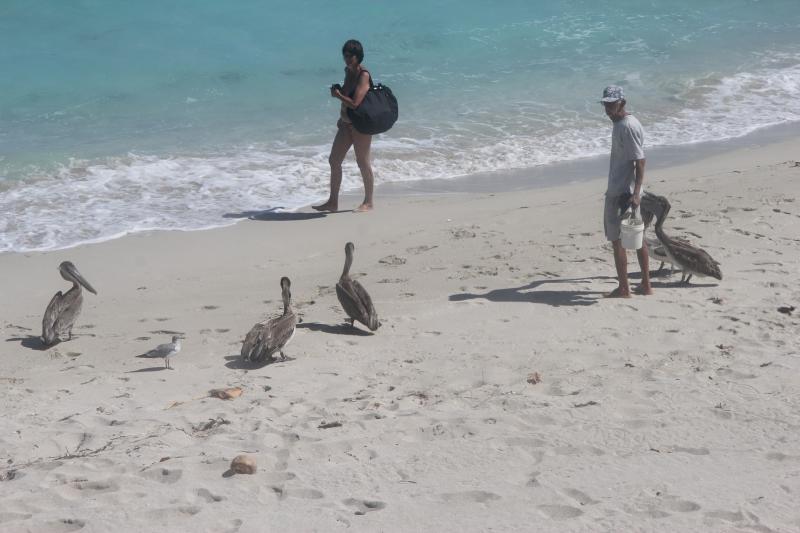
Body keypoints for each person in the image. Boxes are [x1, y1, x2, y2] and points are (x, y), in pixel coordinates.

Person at [600, 85, 652, 298]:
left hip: (622, 193)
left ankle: (624, 288)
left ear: (622, 102)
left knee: (617, 241)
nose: (608, 109)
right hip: (627, 192)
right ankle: (646, 285)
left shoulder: (626, 127)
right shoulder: (625, 123)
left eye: (612, 104)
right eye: (606, 104)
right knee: (637, 238)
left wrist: (636, 193)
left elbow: (640, 161)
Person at [313, 39, 375, 213]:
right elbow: (347, 97)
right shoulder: (348, 72)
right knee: (334, 160)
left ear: (358, 56)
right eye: (345, 56)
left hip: (360, 125)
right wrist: (341, 115)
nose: (347, 59)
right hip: (346, 124)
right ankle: (333, 202)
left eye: (350, 56)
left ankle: (368, 202)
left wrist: (338, 96)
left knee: (362, 162)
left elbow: (355, 103)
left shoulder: (364, 75)